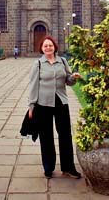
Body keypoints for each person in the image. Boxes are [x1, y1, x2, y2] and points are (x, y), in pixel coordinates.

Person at [28, 35, 82, 179]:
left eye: (50, 45)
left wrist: (73, 77)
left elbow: (68, 81)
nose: (48, 48)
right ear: (42, 48)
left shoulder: (62, 61)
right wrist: (31, 105)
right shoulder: (38, 64)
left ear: (54, 47)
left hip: (60, 102)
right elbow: (33, 85)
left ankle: (68, 167)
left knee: (65, 134)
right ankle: (48, 167)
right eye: (45, 46)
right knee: (46, 136)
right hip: (43, 104)